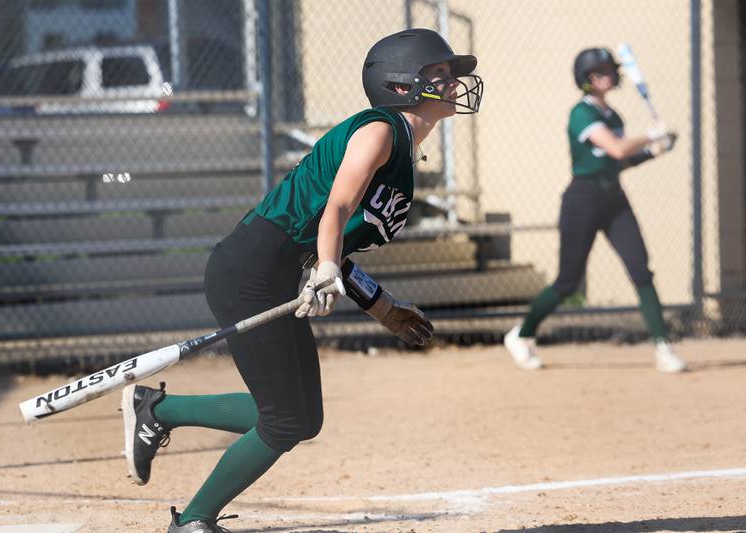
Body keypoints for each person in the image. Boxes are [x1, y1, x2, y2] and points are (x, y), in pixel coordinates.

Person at [119, 28, 483, 533]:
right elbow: (336, 208)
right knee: (284, 420)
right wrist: (328, 268)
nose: (451, 83)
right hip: (249, 269)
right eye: (437, 74)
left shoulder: (403, 152)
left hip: (275, 271)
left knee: (301, 418)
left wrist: (383, 306)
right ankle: (194, 520)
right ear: (400, 86)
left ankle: (158, 409)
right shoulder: (381, 130)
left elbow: (333, 244)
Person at [504, 47, 687, 374]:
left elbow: (620, 160)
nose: (609, 75)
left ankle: (663, 347)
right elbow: (616, 147)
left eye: (610, 70)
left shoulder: (613, 116)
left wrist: (655, 151)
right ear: (587, 79)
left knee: (641, 270)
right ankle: (522, 334)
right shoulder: (581, 114)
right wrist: (649, 136)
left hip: (614, 198)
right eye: (600, 71)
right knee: (567, 282)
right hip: (582, 201)